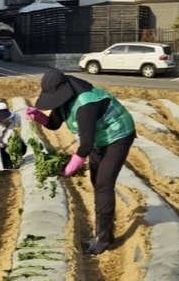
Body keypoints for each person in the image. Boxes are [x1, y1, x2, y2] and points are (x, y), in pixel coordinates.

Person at [25, 69, 136, 255]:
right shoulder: (65, 100)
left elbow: (86, 145)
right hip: (99, 139)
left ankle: (103, 239)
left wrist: (71, 166)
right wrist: (39, 117)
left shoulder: (85, 105)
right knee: (97, 182)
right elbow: (54, 124)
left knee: (104, 184)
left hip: (118, 135)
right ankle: (106, 233)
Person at [0, 102, 27, 171]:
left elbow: (15, 136)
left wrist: (11, 145)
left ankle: (12, 161)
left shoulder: (16, 118)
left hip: (13, 145)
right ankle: (4, 162)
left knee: (22, 147)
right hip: (2, 147)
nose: (0, 121)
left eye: (2, 119)